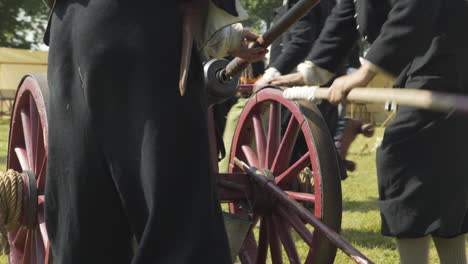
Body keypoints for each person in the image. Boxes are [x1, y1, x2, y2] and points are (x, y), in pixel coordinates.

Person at [43, 0, 266, 263]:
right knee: (178, 220)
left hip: (67, 30)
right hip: (140, 28)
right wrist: (223, 32)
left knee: (86, 214)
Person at [274, 0, 468, 263]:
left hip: (444, 59)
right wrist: (312, 72)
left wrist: (365, 72)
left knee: (401, 161)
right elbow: (348, 12)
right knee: (440, 175)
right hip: (430, 63)